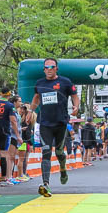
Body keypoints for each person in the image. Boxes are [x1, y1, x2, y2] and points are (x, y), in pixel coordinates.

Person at [30, 59, 80, 198]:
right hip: (45, 123)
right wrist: (30, 111)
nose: (49, 69)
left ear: (56, 68)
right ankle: (45, 184)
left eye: (52, 67)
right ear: (44, 69)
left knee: (59, 152)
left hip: (61, 123)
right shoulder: (39, 83)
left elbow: (75, 96)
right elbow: (36, 98)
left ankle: (63, 168)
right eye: (47, 67)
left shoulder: (65, 82)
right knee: (45, 152)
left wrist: (76, 106)